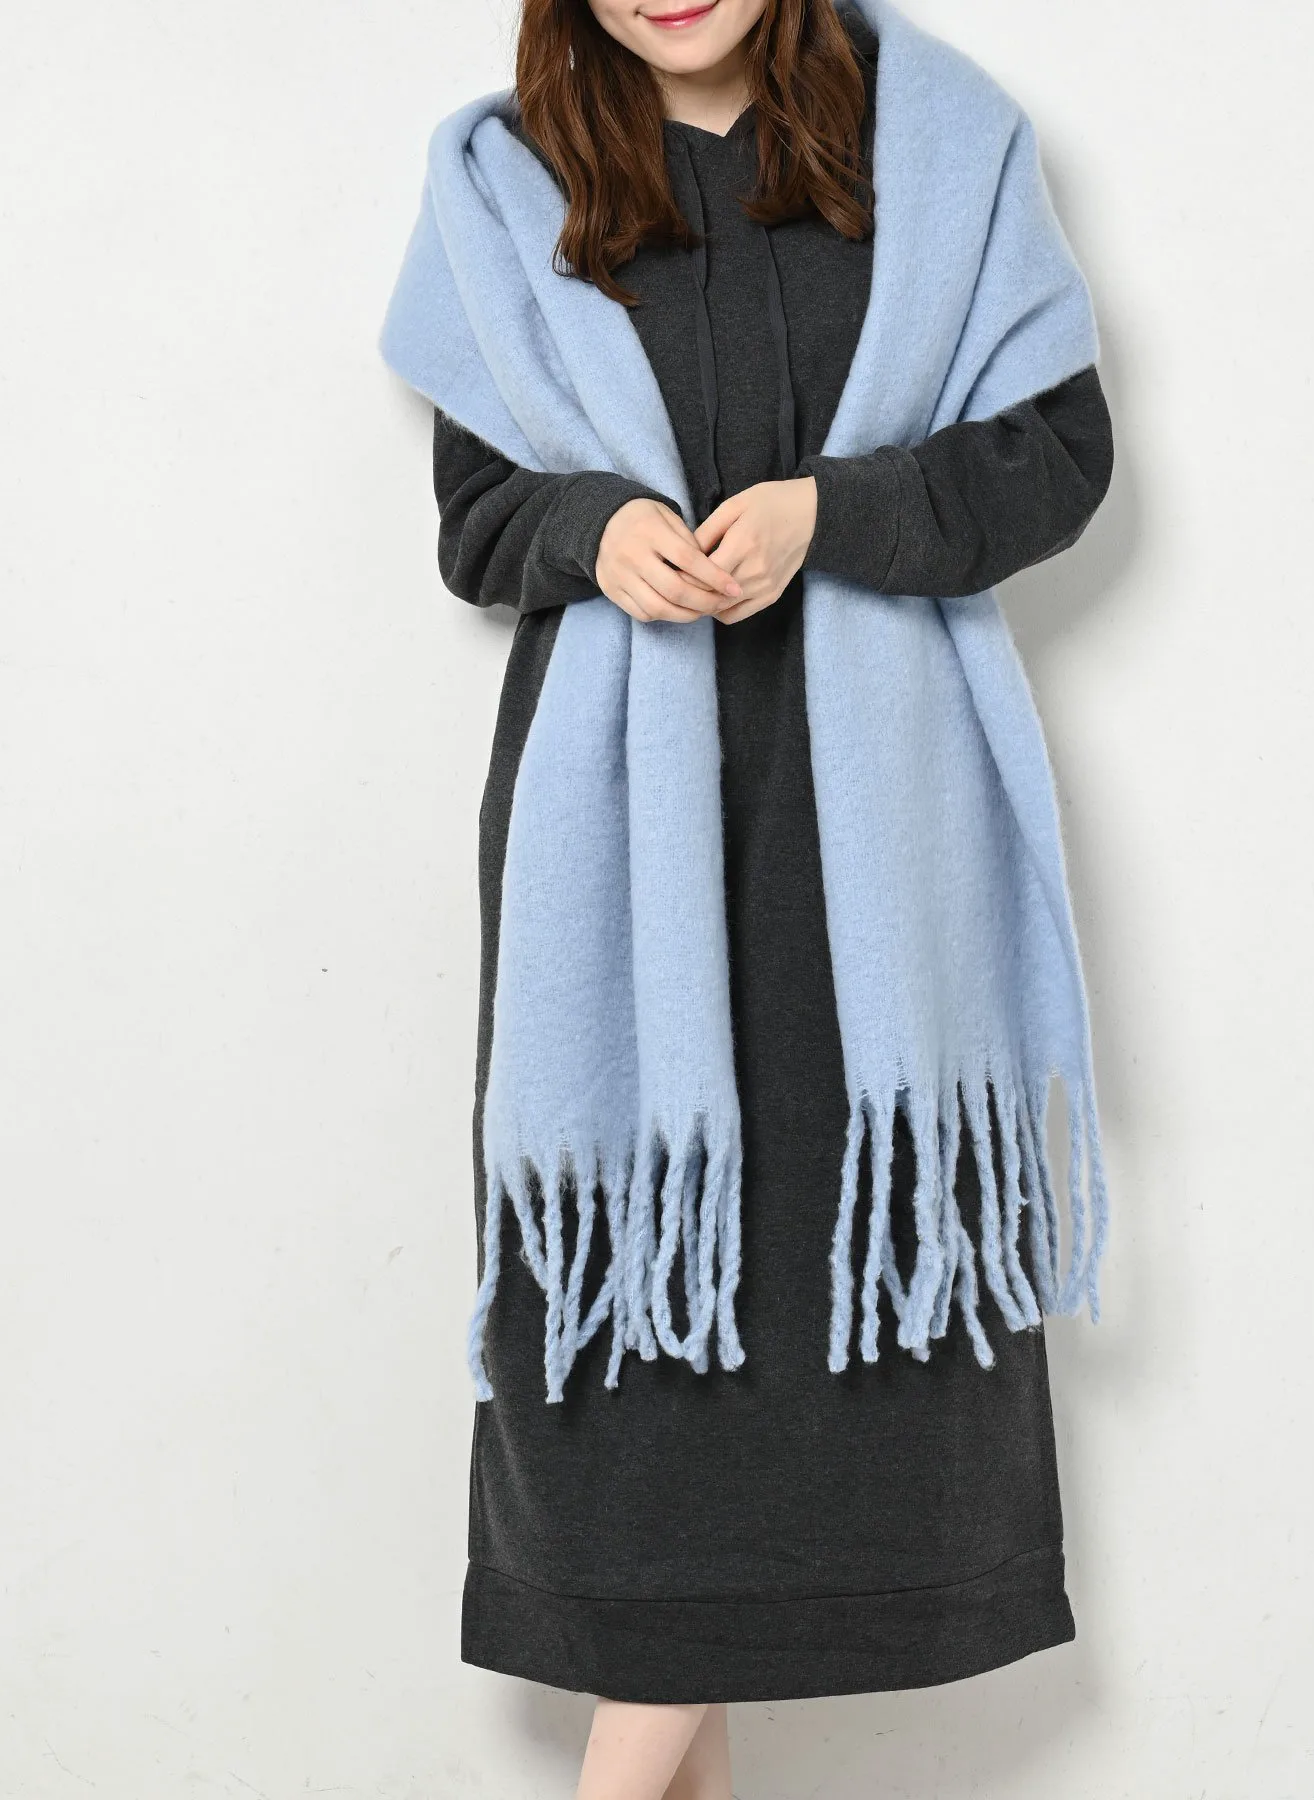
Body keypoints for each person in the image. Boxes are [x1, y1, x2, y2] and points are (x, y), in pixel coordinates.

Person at [379, 1, 1115, 1794]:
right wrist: (591, 531)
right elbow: (480, 518)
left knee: (822, 1321)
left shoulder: (934, 144)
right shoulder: (510, 179)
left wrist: (830, 515)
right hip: (622, 851)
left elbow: (1056, 454)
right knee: (640, 1349)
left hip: (877, 854)